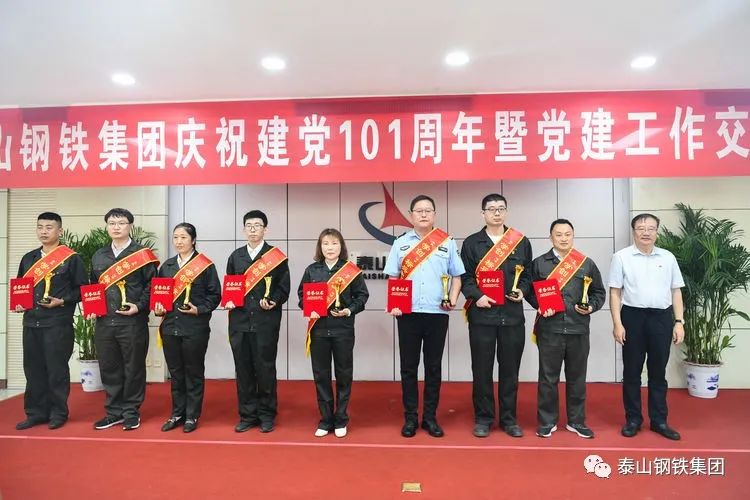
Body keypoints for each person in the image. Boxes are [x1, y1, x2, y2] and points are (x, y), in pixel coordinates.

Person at [384, 195, 465, 438]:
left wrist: (453, 298)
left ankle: (430, 418)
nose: (423, 214)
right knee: (408, 368)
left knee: (433, 367)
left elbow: (457, 276)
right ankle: (410, 418)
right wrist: (395, 303)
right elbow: (393, 276)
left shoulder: (447, 242)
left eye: (428, 210)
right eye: (418, 210)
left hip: (437, 313)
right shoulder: (400, 243)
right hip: (407, 314)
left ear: (434, 215)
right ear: (411, 215)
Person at [460, 193, 532, 438]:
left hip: (512, 317)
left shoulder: (520, 241)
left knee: (510, 371)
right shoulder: (472, 243)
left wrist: (522, 291)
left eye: (501, 208)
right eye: (491, 209)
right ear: (483, 214)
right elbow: (465, 276)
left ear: (506, 211)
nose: (497, 213)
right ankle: (483, 418)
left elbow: (527, 276)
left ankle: (509, 419)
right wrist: (477, 295)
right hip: (482, 316)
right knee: (482, 370)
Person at [526, 219, 605, 439]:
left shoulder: (586, 264)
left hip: (578, 329)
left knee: (577, 377)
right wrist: (540, 305)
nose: (563, 238)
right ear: (550, 237)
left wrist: (591, 306)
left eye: (567, 234)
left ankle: (576, 421)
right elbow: (529, 291)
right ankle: (547, 421)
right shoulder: (539, 263)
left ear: (573, 236)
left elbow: (599, 292)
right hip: (550, 328)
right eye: (558, 234)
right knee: (548, 378)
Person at [609, 213, 685, 441]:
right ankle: (633, 419)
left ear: (657, 232)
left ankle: (659, 420)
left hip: (661, 318)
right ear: (634, 232)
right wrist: (617, 323)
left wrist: (679, 322)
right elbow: (615, 292)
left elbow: (676, 291)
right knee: (632, 371)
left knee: (658, 371)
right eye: (641, 228)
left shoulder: (668, 257)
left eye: (651, 228)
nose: (646, 232)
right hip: (632, 317)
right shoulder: (621, 257)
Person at [14, 212, 87, 430]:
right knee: (33, 370)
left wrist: (62, 301)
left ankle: (58, 413)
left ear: (60, 231)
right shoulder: (29, 258)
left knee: (56, 370)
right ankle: (36, 413)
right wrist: (19, 304)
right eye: (40, 227)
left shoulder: (71, 258)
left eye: (49, 227)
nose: (44, 231)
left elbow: (83, 290)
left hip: (57, 323)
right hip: (31, 323)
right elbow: (21, 287)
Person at [90, 208, 159, 431]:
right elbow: (93, 286)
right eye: (112, 223)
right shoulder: (99, 255)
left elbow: (153, 287)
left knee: (133, 368)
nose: (116, 227)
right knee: (109, 368)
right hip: (104, 322)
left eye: (121, 223)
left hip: (132, 322)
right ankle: (113, 412)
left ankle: (130, 412)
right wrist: (91, 307)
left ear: (130, 226)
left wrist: (139, 306)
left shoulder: (142, 255)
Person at [297, 228, 369, 438]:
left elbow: (362, 296)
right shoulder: (312, 270)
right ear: (320, 247)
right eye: (326, 243)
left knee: (344, 374)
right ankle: (325, 419)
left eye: (334, 243)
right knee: (321, 375)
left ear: (341, 246)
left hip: (343, 330)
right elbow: (301, 295)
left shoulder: (351, 270)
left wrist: (349, 310)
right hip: (319, 330)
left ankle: (341, 418)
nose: (330, 248)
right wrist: (308, 307)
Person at [225, 210, 290, 433]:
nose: (253, 229)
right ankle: (247, 414)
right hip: (240, 322)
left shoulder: (276, 257)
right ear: (244, 229)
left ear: (265, 229)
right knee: (243, 369)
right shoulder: (235, 257)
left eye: (257, 225)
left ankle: (267, 414)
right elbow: (231, 287)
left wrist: (273, 300)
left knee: (265, 368)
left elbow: (283, 288)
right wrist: (229, 300)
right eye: (249, 226)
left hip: (265, 321)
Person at [154, 223, 221, 433]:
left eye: (183, 237)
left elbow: (215, 295)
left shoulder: (205, 266)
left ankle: (192, 415)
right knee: (175, 373)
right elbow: (159, 295)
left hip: (194, 328)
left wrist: (199, 309)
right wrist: (158, 308)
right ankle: (177, 414)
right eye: (176, 237)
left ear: (193, 240)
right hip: (170, 327)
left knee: (193, 372)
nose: (179, 241)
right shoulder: (166, 266)